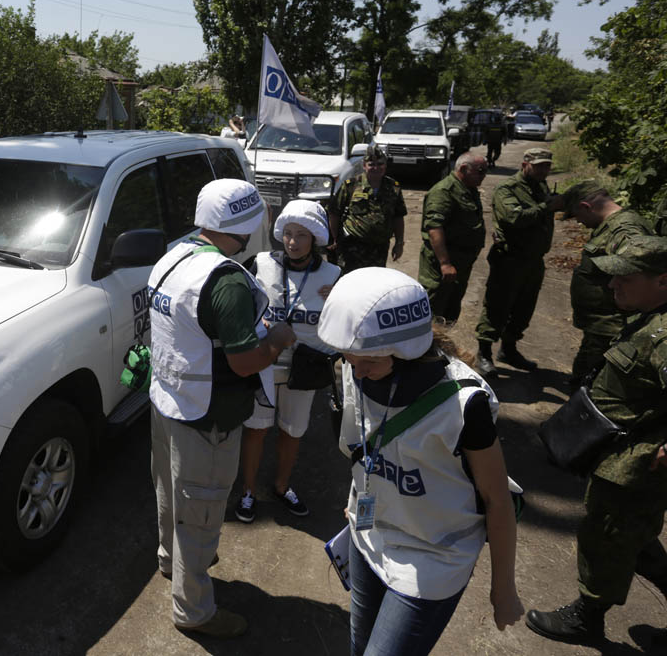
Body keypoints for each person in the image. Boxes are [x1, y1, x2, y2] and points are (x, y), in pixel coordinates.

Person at [319, 267, 523, 655]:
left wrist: (503, 589)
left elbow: (498, 500)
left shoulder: (463, 406)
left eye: (370, 362)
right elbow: (361, 446)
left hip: (433, 557)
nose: (356, 372)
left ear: (407, 351)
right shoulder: (357, 367)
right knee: (359, 647)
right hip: (370, 537)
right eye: (348, 358)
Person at [148, 178, 297, 638]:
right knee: (202, 515)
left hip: (167, 404)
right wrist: (276, 341)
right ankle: (194, 611)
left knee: (171, 495)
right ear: (249, 225)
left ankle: (170, 563)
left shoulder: (174, 257)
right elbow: (244, 359)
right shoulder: (227, 281)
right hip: (207, 419)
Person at [526, 235, 667, 646]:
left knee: (605, 535)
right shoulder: (648, 314)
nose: (612, 286)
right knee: (634, 534)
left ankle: (587, 617)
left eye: (625, 278)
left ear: (662, 280)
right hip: (617, 450)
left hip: (633, 465)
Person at [235, 200, 341, 523]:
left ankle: (282, 486)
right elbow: (242, 305)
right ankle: (248, 491)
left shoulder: (333, 275)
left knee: (292, 432)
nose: (293, 242)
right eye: (289, 234)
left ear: (316, 239)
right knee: (255, 431)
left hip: (305, 371)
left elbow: (342, 323)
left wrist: (335, 296)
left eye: (302, 236)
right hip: (264, 364)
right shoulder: (261, 263)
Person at [475, 148, 565, 376]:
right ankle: (484, 352)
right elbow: (514, 218)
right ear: (525, 164)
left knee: (524, 308)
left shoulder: (541, 186)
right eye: (538, 166)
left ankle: (509, 349)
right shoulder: (508, 189)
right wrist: (548, 207)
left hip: (534, 259)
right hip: (510, 259)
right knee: (497, 306)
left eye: (547, 166)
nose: (544, 170)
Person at [562, 180, 654, 387]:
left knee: (594, 383)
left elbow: (638, 274)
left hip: (612, 326)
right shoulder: (613, 226)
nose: (579, 222)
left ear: (586, 207)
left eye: (577, 216)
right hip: (602, 324)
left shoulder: (624, 230)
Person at [417, 151, 488, 323]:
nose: (484, 176)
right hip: (442, 264)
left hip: (461, 262)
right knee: (433, 308)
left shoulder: (468, 189)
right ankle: (426, 348)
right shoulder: (444, 191)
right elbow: (434, 228)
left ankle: (441, 345)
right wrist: (445, 263)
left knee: (451, 309)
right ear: (464, 169)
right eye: (480, 171)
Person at [327, 144, 407, 273]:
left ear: (385, 166)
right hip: (352, 247)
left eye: (380, 164)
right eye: (371, 164)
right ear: (364, 166)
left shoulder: (393, 188)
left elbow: (398, 217)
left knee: (374, 283)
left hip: (379, 249)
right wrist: (335, 238)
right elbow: (334, 212)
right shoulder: (351, 186)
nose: (376, 168)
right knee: (349, 282)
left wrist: (399, 243)